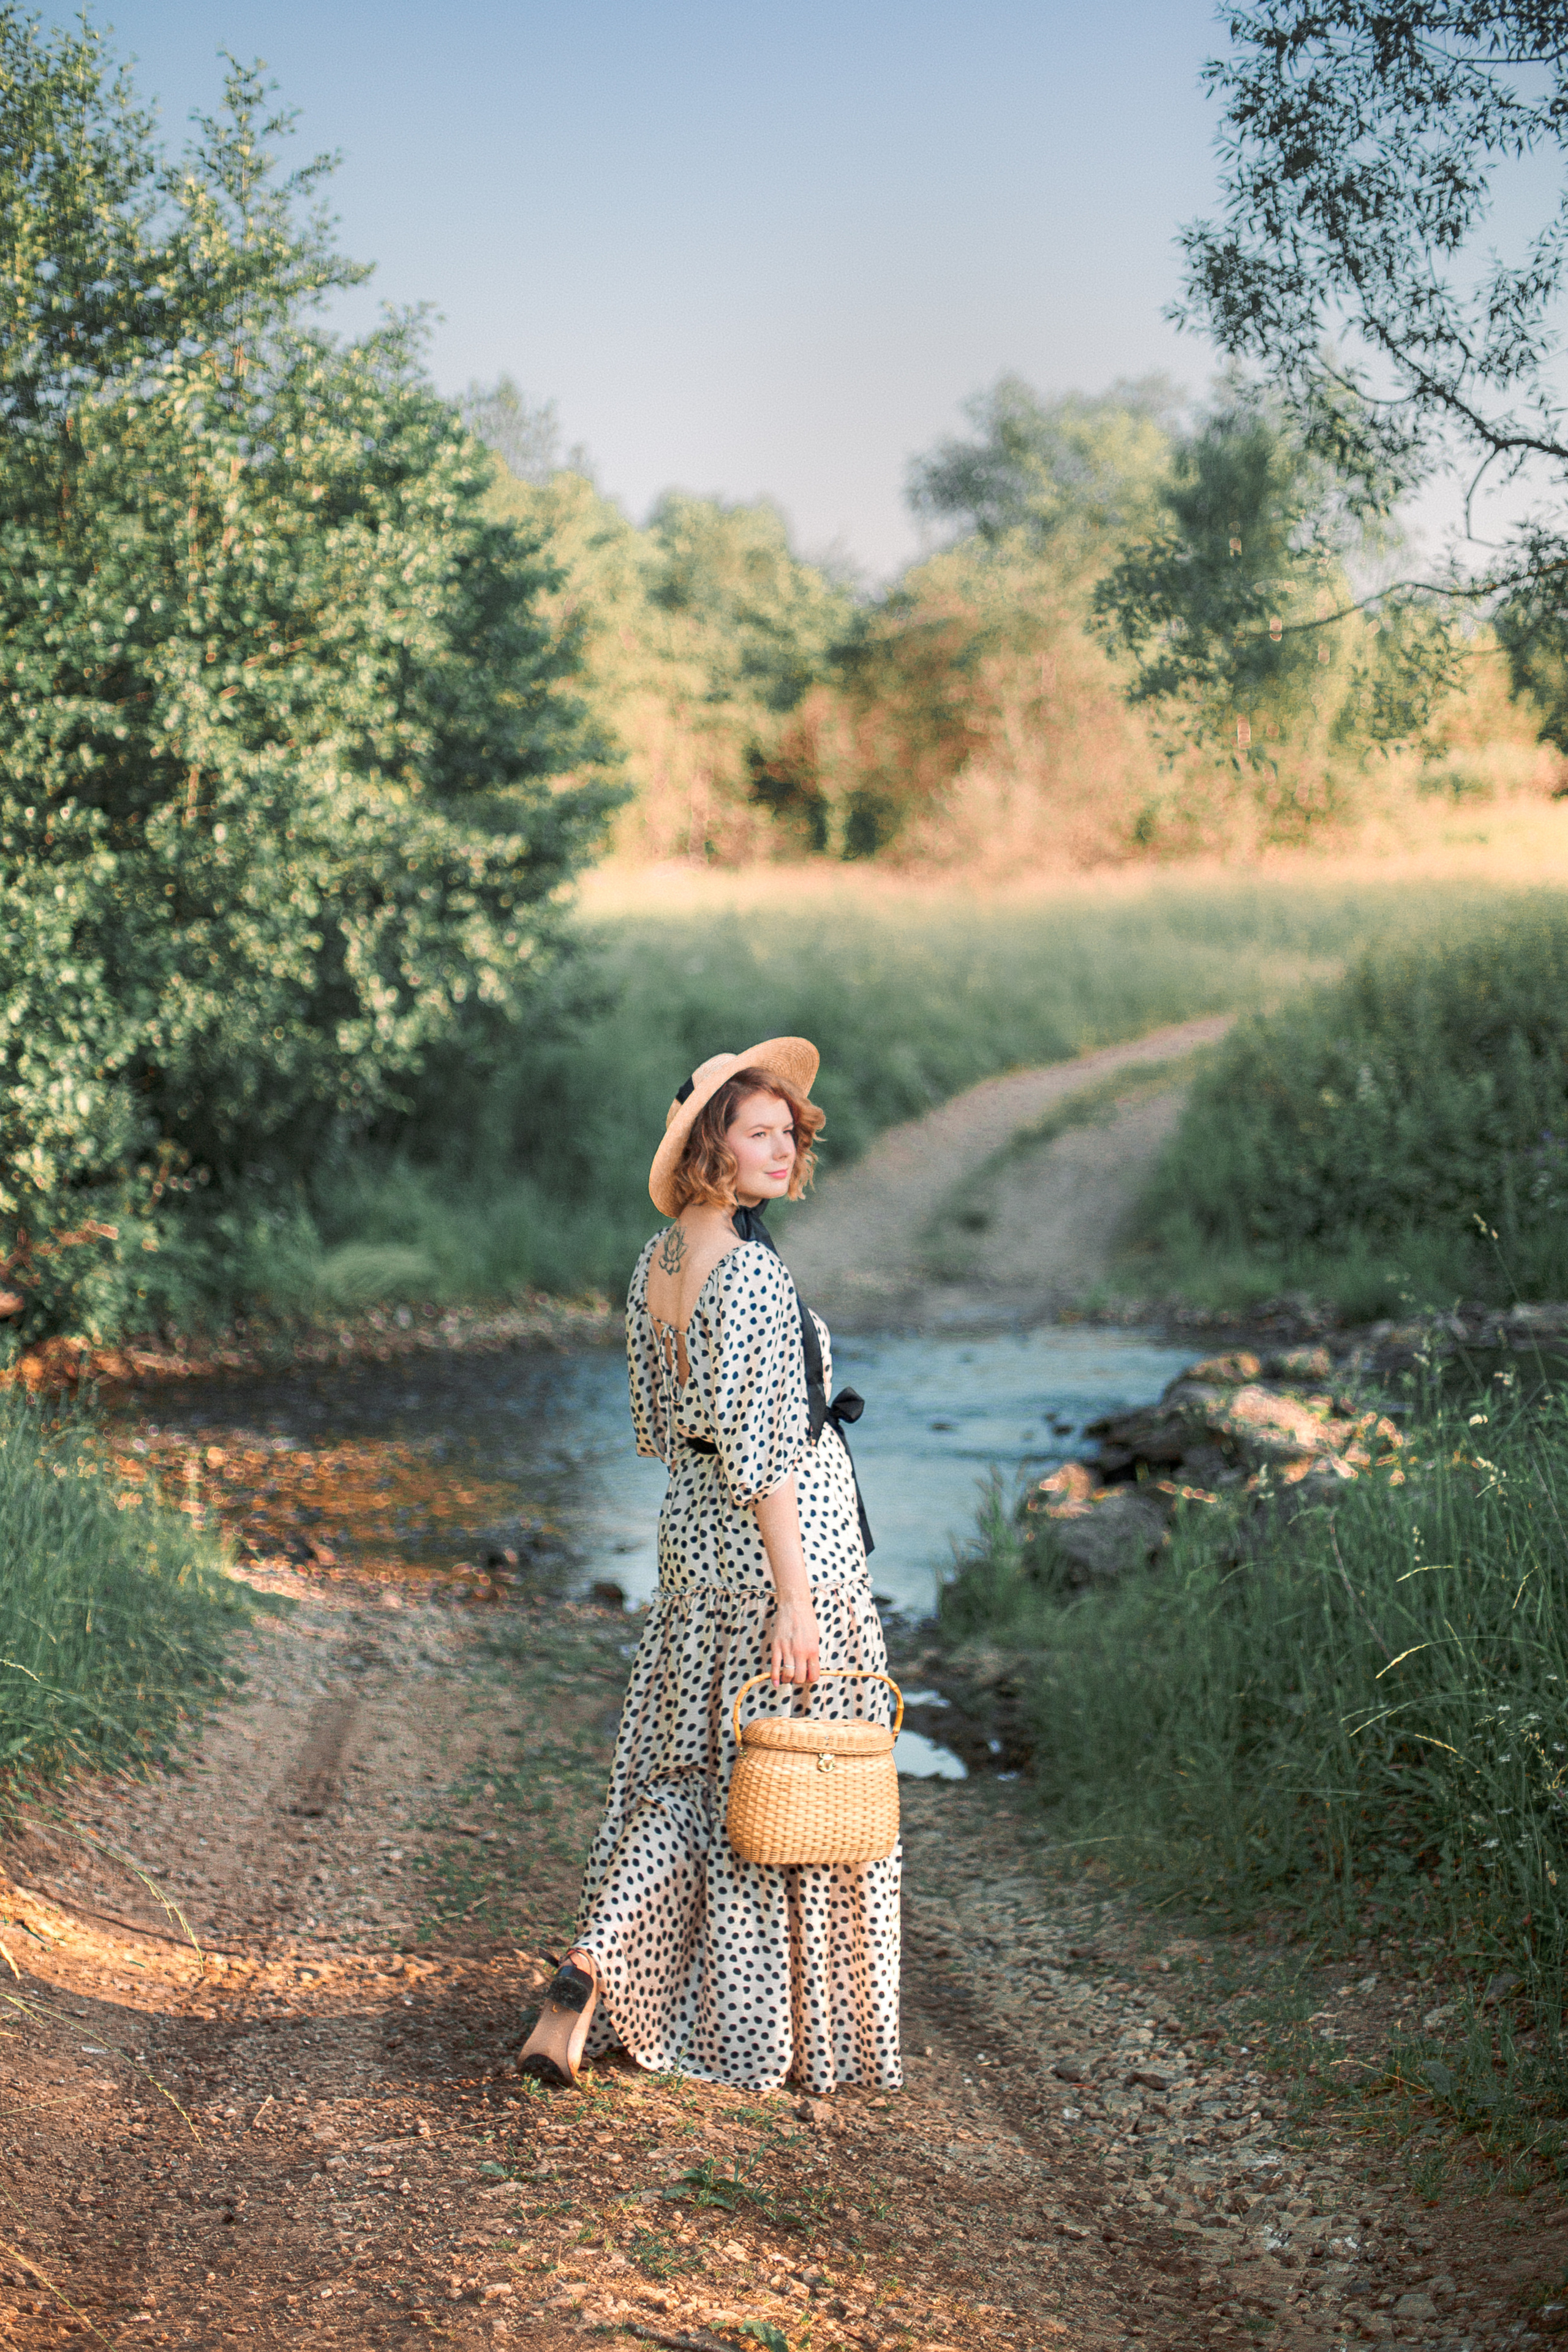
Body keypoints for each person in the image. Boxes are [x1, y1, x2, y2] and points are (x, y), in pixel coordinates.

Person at [515, 1036, 902, 2094]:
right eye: (761, 1133)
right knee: (784, 1785)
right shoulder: (752, 1272)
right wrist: (796, 1597)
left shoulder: (660, 1266)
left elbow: (662, 1426)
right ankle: (772, 2036)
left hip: (692, 1540)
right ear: (711, 1148)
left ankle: (593, 1963)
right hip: (782, 1545)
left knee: (687, 1780)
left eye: (791, 1133)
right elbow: (766, 1449)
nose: (785, 1149)